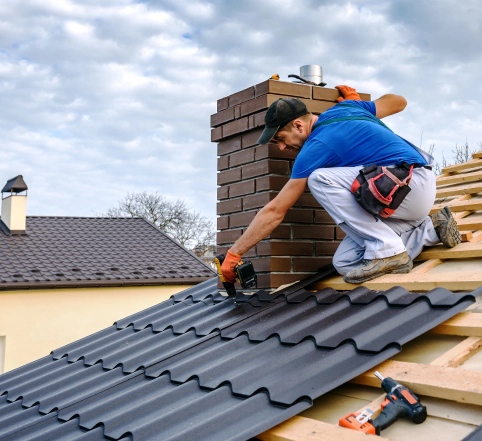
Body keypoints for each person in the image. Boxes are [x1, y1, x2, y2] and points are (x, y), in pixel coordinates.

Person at [220, 85, 461, 284]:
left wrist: (235, 253)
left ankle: (389, 250)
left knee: (319, 178)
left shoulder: (315, 147)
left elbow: (275, 211)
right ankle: (431, 229)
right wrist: (362, 107)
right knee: (345, 263)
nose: (282, 148)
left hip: (408, 184)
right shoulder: (349, 107)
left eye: (280, 139)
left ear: (298, 125)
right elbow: (399, 100)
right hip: (404, 198)